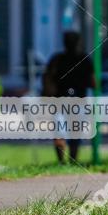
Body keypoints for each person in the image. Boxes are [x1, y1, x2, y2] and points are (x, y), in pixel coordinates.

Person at [42, 31, 95, 163]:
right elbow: (93, 82)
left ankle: (65, 162)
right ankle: (69, 161)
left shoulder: (58, 59)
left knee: (64, 132)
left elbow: (47, 78)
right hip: (70, 101)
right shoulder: (83, 59)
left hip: (68, 102)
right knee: (70, 133)